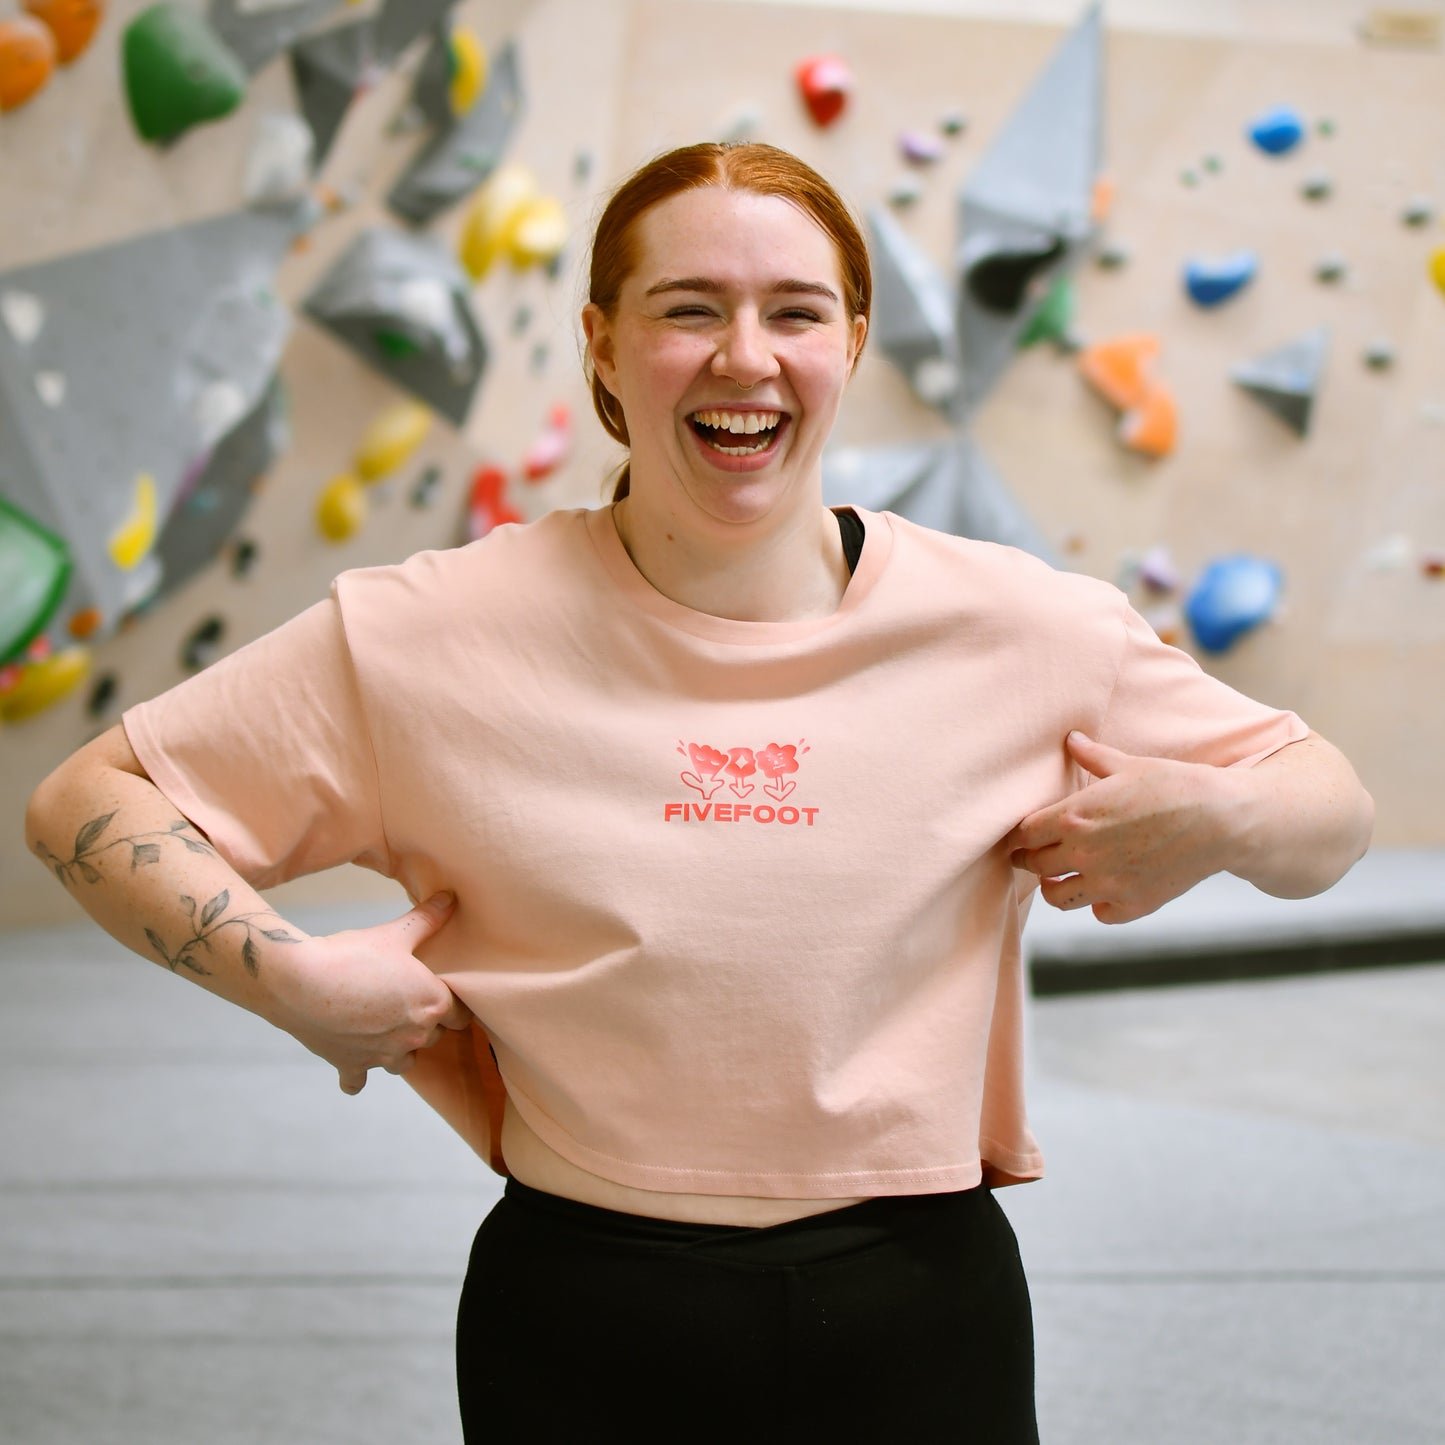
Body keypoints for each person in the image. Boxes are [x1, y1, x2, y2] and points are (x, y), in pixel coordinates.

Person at [25, 141, 1373, 1442]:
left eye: (793, 311)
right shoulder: (430, 633)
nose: (745, 356)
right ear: (603, 342)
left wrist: (1217, 820)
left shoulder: (1023, 627)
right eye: (689, 309)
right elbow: (95, 796)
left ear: (848, 340)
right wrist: (292, 981)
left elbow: (1327, 807)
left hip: (919, 1302)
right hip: (581, 1310)